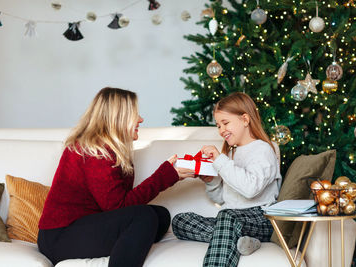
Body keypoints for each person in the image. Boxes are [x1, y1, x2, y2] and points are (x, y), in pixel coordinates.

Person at [37, 87, 195, 267]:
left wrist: (170, 175)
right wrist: (165, 176)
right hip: (61, 238)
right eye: (135, 114)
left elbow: (119, 208)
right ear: (118, 118)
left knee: (160, 215)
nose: (141, 119)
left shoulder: (109, 149)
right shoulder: (96, 151)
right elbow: (118, 207)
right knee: (144, 216)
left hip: (80, 228)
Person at [172, 92, 282, 267]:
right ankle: (245, 240)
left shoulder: (263, 150)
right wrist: (211, 181)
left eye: (225, 123)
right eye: (218, 125)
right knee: (180, 220)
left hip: (261, 218)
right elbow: (224, 198)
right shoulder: (231, 153)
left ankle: (235, 237)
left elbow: (250, 188)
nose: (221, 130)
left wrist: (220, 161)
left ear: (245, 120)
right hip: (232, 219)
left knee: (227, 217)